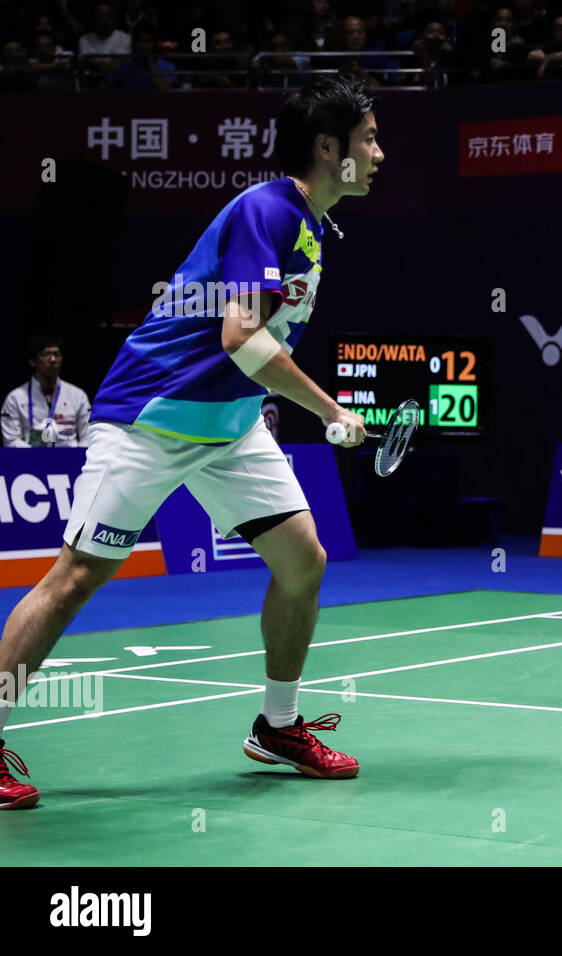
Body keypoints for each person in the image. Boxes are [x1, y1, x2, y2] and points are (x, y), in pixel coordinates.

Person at [0, 74, 383, 810]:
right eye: (369, 138)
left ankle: (276, 727)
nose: (380, 151)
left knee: (303, 561)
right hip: (153, 415)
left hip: (228, 423)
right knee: (76, 578)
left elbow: (249, 351)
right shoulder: (265, 209)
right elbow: (241, 337)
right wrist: (330, 409)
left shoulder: (311, 225)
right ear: (329, 148)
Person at [1, 338, 91, 448]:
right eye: (46, 354)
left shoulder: (78, 396)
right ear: (32, 361)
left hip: (69, 459)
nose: (53, 359)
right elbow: (11, 440)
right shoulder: (15, 398)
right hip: (30, 460)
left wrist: (75, 455)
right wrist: (38, 457)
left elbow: (87, 437)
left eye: (56, 354)